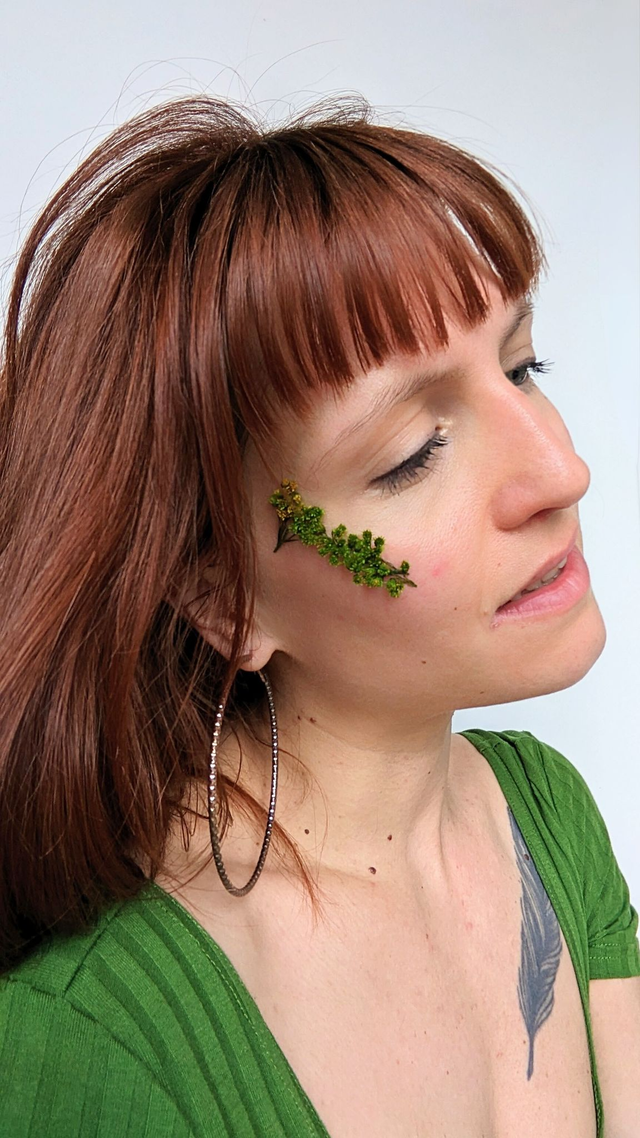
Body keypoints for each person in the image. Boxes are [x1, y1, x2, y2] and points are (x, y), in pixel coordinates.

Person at [0, 93, 638, 1138]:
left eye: (523, 367)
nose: (560, 471)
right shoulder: (89, 1042)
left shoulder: (548, 818)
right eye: (411, 455)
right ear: (222, 595)